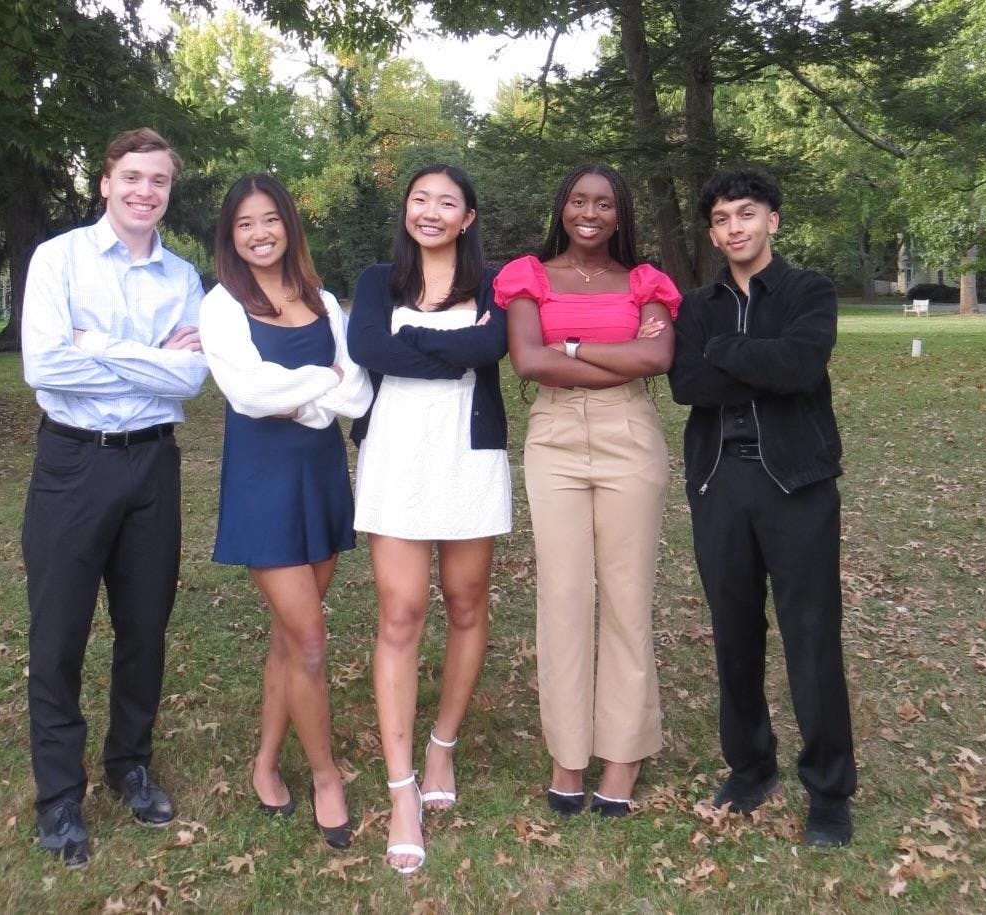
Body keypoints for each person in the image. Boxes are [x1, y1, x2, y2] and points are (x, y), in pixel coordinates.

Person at [21, 127, 208, 868]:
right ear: (104, 181)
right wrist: (152, 360)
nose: (144, 191)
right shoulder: (57, 259)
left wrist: (94, 347)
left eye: (158, 180)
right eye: (132, 176)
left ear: (168, 190)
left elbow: (192, 380)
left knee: (145, 630)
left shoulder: (184, 276)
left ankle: (129, 762)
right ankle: (59, 794)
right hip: (72, 464)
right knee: (58, 635)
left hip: (152, 468)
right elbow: (45, 364)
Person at [667, 167, 857, 846]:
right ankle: (750, 766)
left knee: (812, 638)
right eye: (721, 219)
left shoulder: (809, 290)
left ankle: (830, 792)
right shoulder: (699, 306)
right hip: (721, 483)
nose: (733, 229)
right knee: (734, 634)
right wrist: (749, 357)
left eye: (745, 214)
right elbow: (687, 383)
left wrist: (730, 353)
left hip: (797, 486)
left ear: (772, 220)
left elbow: (801, 367)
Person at [496, 163, 680, 819]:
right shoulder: (528, 276)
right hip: (554, 437)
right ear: (562, 206)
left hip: (629, 431)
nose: (591, 212)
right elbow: (528, 360)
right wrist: (614, 347)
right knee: (564, 597)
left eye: (604, 203)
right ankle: (568, 755)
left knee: (628, 597)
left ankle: (624, 755)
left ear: (620, 214)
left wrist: (568, 340)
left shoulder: (645, 281)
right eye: (579, 200)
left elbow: (656, 360)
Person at [198, 174, 371, 850]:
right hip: (263, 482)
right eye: (246, 224)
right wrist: (317, 387)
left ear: (288, 225)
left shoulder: (322, 299)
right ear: (230, 236)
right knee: (310, 640)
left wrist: (308, 393)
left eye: (270, 219)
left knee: (287, 638)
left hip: (320, 476)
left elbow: (354, 388)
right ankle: (327, 776)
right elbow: (246, 392)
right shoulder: (221, 305)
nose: (260, 232)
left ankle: (265, 762)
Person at [346, 164, 510, 874]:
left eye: (447, 202)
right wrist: (450, 352)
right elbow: (366, 348)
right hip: (395, 457)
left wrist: (420, 350)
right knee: (401, 613)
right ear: (405, 209)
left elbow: (491, 346)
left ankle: (442, 744)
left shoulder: (497, 284)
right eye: (421, 199)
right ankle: (401, 787)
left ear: (468, 216)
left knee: (467, 602)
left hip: (470, 457)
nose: (432, 211)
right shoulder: (375, 280)